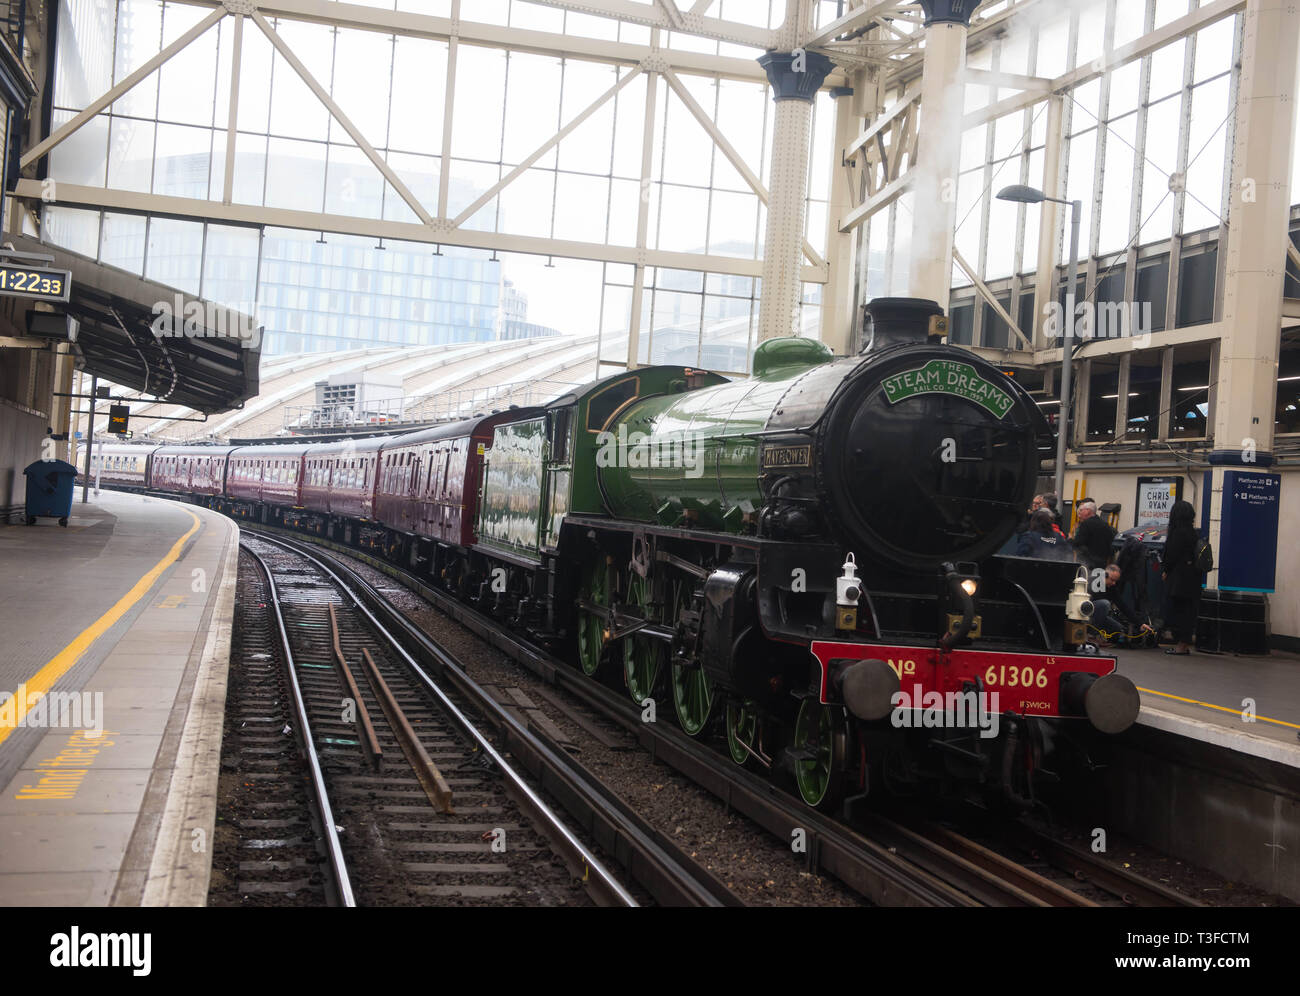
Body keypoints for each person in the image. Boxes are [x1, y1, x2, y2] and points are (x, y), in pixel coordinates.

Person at [1161, 500, 1202, 655]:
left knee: (1177, 611)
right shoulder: (1192, 532)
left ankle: (1181, 644)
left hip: (1178, 579)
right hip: (1193, 577)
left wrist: (1165, 570)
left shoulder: (1177, 532)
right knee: (1188, 611)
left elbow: (1171, 555)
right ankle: (1183, 644)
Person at [1090, 563, 1155, 647]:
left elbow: (1123, 606)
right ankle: (1091, 636)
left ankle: (1102, 639)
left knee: (1118, 628)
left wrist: (1140, 624)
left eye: (1115, 581)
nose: (1114, 583)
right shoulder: (1091, 582)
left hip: (1099, 617)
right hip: (1087, 617)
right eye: (1112, 580)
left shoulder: (1112, 588)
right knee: (1104, 604)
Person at [1071, 500, 1115, 571]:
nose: (1079, 513)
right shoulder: (1105, 525)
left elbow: (1078, 543)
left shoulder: (1086, 524)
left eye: (1082, 510)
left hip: (1088, 564)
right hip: (1102, 564)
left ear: (1088, 511)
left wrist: (1070, 539)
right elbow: (1111, 546)